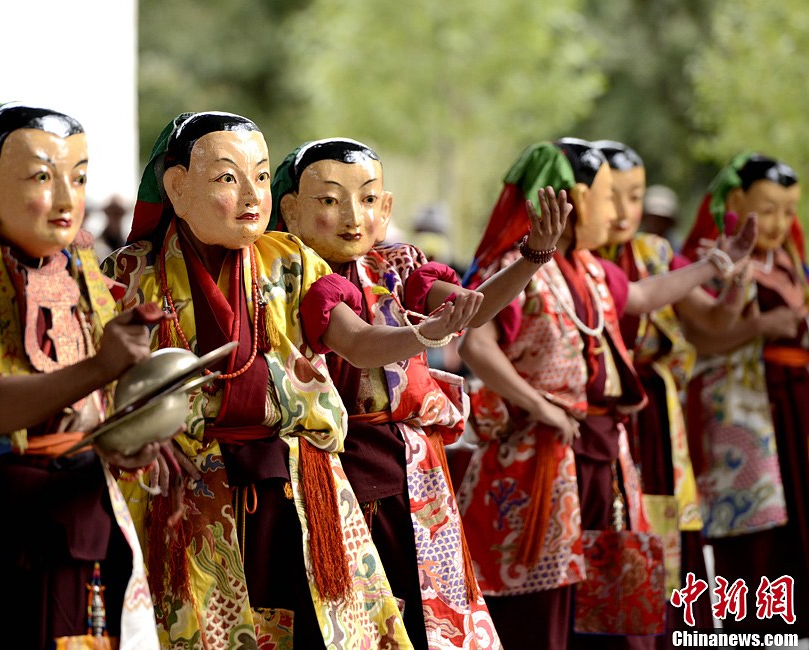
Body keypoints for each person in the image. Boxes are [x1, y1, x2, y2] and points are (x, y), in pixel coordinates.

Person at [104, 112, 482, 649]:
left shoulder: (292, 260)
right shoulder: (128, 274)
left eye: (260, 176)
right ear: (177, 187)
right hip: (190, 487)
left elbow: (355, 340)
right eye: (227, 179)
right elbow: (104, 386)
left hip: (304, 484)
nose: (251, 196)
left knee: (319, 630)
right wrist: (143, 432)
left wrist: (423, 336)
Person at [456, 139, 756, 650]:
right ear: (569, 201)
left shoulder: (593, 268)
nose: (618, 213)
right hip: (540, 454)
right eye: (607, 196)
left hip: (600, 448)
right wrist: (539, 405)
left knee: (609, 583)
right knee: (541, 599)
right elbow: (475, 344)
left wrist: (713, 266)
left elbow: (640, 296)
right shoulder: (516, 268)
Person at [272, 137, 569, 649]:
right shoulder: (288, 275)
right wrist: (425, 335)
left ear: (386, 208)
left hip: (416, 467)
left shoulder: (396, 265)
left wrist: (532, 259)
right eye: (329, 200)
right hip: (337, 469)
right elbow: (362, 346)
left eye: (367, 199)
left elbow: (470, 307)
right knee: (356, 620)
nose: (352, 215)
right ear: (291, 211)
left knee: (427, 612)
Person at [0, 102, 162, 649]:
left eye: (79, 178)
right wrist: (101, 366)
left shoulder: (80, 274)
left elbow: (93, 401)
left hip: (84, 505)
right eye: (43, 178)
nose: (70, 201)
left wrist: (128, 437)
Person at [592, 140, 749, 641]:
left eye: (634, 197)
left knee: (663, 526)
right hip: (599, 411)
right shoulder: (573, 258)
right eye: (611, 196)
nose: (623, 212)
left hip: (655, 412)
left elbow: (713, 325)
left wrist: (736, 283)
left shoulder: (654, 253)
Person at [680, 152, 809, 637]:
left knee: (794, 509)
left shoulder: (788, 261)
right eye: (768, 208)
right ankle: (750, 626)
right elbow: (705, 335)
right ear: (736, 200)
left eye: (788, 210)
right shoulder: (711, 259)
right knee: (751, 516)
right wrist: (762, 325)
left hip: (792, 400)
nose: (780, 222)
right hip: (739, 402)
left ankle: (791, 618)